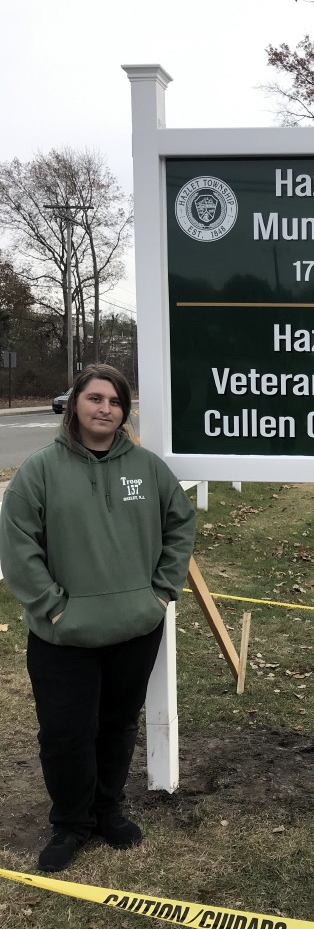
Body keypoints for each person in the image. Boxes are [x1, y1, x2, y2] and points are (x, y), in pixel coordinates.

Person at [0, 364, 196, 873]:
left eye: (114, 400)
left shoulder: (148, 469)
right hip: (63, 635)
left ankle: (108, 809)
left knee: (116, 725)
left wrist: (160, 593)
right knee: (65, 733)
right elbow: (19, 546)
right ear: (74, 405)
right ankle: (70, 822)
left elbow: (181, 523)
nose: (105, 408)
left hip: (135, 627)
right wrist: (53, 605)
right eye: (95, 398)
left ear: (124, 410)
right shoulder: (39, 470)